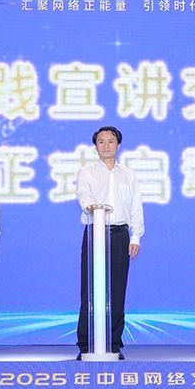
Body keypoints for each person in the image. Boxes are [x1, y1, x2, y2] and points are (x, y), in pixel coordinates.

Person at [76, 126, 144, 360]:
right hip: (95, 232)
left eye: (110, 141)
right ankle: (86, 344)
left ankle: (114, 343)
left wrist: (136, 236)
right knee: (90, 290)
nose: (106, 145)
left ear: (118, 145)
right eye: (101, 142)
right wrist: (94, 208)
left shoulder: (129, 175)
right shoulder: (87, 172)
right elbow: (84, 197)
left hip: (120, 234)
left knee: (117, 291)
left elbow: (135, 207)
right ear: (96, 146)